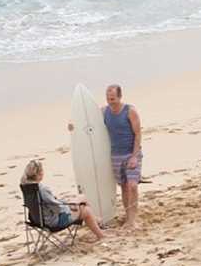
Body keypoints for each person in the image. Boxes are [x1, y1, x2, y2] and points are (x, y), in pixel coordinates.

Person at [20, 159, 106, 241]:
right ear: (39, 174)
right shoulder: (42, 189)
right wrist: (69, 205)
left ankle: (96, 220)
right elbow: (57, 208)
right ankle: (100, 234)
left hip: (37, 220)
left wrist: (65, 202)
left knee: (81, 199)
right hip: (53, 222)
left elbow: (49, 204)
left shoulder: (27, 187)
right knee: (85, 209)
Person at [102, 84, 142, 229]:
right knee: (124, 187)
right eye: (108, 98)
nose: (110, 101)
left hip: (131, 153)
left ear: (120, 97)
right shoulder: (104, 112)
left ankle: (133, 220)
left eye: (112, 98)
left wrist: (134, 156)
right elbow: (88, 123)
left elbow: (138, 134)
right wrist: (72, 125)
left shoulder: (130, 111)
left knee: (132, 185)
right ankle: (128, 217)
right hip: (115, 155)